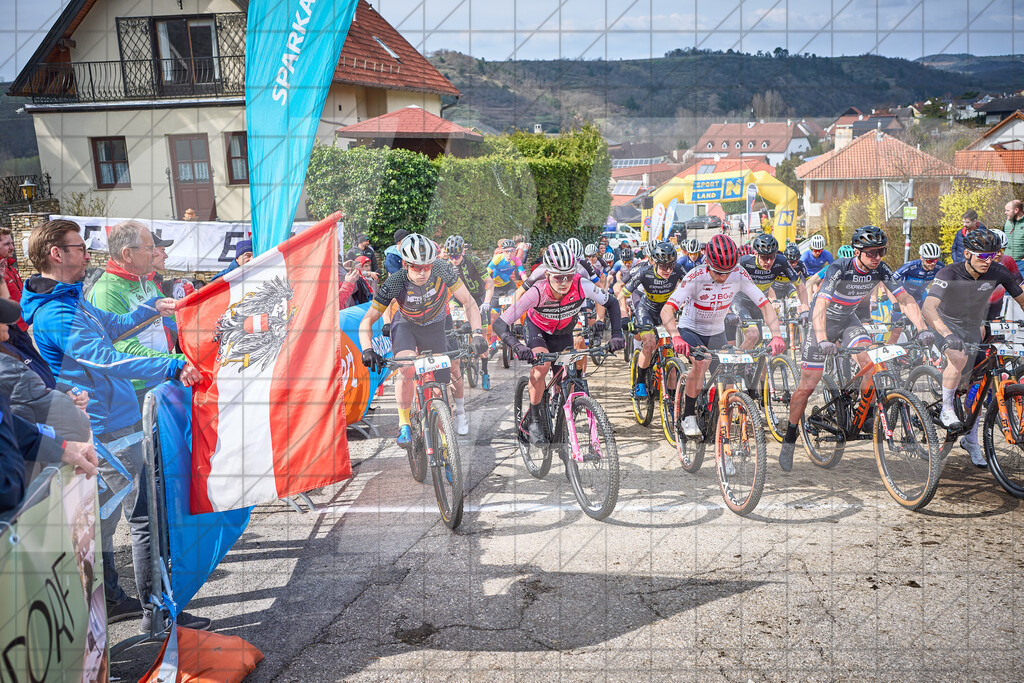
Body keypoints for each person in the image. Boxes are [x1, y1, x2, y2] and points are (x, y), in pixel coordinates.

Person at [19, 219, 208, 631]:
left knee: (111, 527)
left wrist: (148, 309)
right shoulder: (56, 312)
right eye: (78, 247)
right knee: (140, 521)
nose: (88, 254)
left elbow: (112, 330)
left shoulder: (71, 298)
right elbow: (106, 359)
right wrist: (173, 366)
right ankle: (154, 615)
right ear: (57, 254)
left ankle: (118, 603)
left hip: (113, 424)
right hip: (105, 431)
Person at [777, 226, 934, 472]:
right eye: (871, 252)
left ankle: (866, 409)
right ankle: (789, 437)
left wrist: (922, 328)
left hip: (848, 320)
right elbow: (821, 305)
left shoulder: (881, 269)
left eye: (881, 251)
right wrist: (821, 338)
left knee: (870, 359)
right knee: (807, 386)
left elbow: (904, 299)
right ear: (858, 251)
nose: (877, 257)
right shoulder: (840, 268)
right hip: (824, 322)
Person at [358, 234, 487, 444]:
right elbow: (367, 321)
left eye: (427, 266)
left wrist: (478, 334)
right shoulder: (395, 281)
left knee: (439, 389)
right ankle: (404, 425)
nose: (422, 272)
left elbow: (469, 302)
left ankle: (446, 443)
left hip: (435, 327)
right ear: (405, 263)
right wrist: (367, 350)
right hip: (406, 326)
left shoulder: (442, 270)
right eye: (416, 267)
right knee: (407, 369)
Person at [660, 234, 786, 448]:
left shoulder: (738, 274)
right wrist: (675, 335)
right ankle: (688, 414)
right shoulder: (695, 276)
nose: (723, 277)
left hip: (717, 333)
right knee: (703, 361)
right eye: (718, 272)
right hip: (690, 329)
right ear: (708, 263)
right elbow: (667, 310)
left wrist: (776, 335)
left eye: (727, 272)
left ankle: (719, 425)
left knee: (729, 383)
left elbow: (765, 305)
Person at [493, 243, 624, 444]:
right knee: (541, 367)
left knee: (569, 378)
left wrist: (616, 335)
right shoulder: (537, 291)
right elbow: (500, 323)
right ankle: (535, 418)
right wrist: (516, 346)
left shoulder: (582, 285)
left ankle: (564, 431)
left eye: (568, 276)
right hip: (538, 331)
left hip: (564, 332)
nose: (564, 282)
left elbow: (612, 303)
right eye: (558, 277)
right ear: (547, 275)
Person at [923, 228, 1024, 466]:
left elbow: (1022, 299)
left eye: (992, 255)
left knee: (977, 386)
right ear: (967, 253)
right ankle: (946, 409)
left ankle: (971, 441)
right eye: (982, 256)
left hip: (972, 328)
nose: (987, 261)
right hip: (945, 325)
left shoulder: (998, 271)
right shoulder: (949, 273)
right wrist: (947, 334)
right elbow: (928, 307)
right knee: (957, 357)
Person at [87, 221, 187, 405]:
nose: (155, 254)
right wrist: (181, 361)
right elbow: (125, 348)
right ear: (128, 254)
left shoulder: (145, 280)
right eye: (149, 248)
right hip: (135, 388)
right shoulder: (107, 291)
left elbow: (174, 319)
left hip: (160, 374)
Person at [618, 242, 687, 398]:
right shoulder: (644, 272)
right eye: (663, 266)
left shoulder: (678, 270)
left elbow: (692, 287)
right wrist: (623, 316)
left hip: (667, 310)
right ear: (654, 263)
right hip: (647, 310)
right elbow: (622, 293)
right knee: (649, 343)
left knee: (670, 352)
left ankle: (671, 399)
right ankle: (640, 382)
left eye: (671, 265)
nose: (668, 270)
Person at [735, 233, 810, 351]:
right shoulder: (744, 262)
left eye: (772, 257)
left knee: (764, 348)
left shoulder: (781, 262)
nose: (769, 261)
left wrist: (805, 308)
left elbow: (800, 286)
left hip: (760, 304)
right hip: (741, 302)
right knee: (753, 335)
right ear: (756, 254)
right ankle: (738, 366)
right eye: (765, 257)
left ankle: (755, 368)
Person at [443, 235, 495, 390]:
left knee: (482, 337)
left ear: (462, 253)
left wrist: (486, 302)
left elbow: (490, 283)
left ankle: (485, 372)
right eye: (450, 256)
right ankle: (459, 340)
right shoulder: (446, 265)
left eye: (456, 256)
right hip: (458, 298)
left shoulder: (474, 261)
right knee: (451, 312)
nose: (453, 259)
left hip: (478, 298)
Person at [986, 230, 1020, 320]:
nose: (999, 254)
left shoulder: (1008, 261)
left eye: (1002, 250)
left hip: (997, 308)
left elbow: (1020, 285)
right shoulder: (977, 263)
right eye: (996, 250)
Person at [1004, 200, 1024, 270]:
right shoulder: (1007, 222)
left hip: (1021, 264)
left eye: (1007, 210)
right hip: (1006, 262)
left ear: (1016, 210)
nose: (1005, 213)